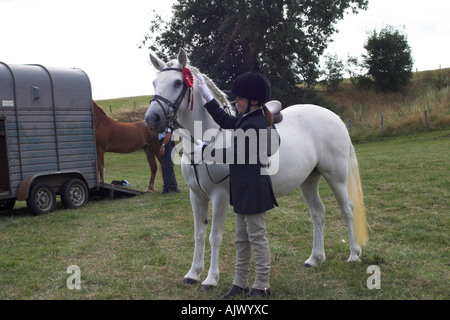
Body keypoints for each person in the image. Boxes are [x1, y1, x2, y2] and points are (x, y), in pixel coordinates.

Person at [197, 71, 278, 298]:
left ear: (254, 100)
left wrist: (204, 150)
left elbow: (235, 154)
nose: (235, 101)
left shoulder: (256, 124)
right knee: (241, 239)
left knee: (257, 238)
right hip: (242, 189)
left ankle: (262, 284)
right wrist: (207, 97)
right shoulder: (246, 119)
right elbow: (226, 120)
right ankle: (240, 282)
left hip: (254, 190)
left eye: (240, 98)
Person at [159, 128, 179, 194]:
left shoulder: (167, 121)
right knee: (164, 165)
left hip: (166, 142)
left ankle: (172, 187)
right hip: (162, 141)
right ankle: (166, 187)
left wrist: (163, 145)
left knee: (168, 165)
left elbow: (168, 133)